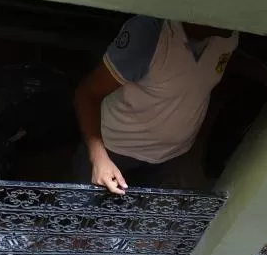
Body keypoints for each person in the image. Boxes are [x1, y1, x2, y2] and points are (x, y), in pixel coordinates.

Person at [74, 16, 239, 194]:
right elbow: (87, 94)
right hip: (114, 149)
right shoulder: (149, 36)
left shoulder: (229, 36)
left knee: (137, 216)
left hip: (168, 156)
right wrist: (99, 158)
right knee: (79, 211)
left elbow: (208, 74)